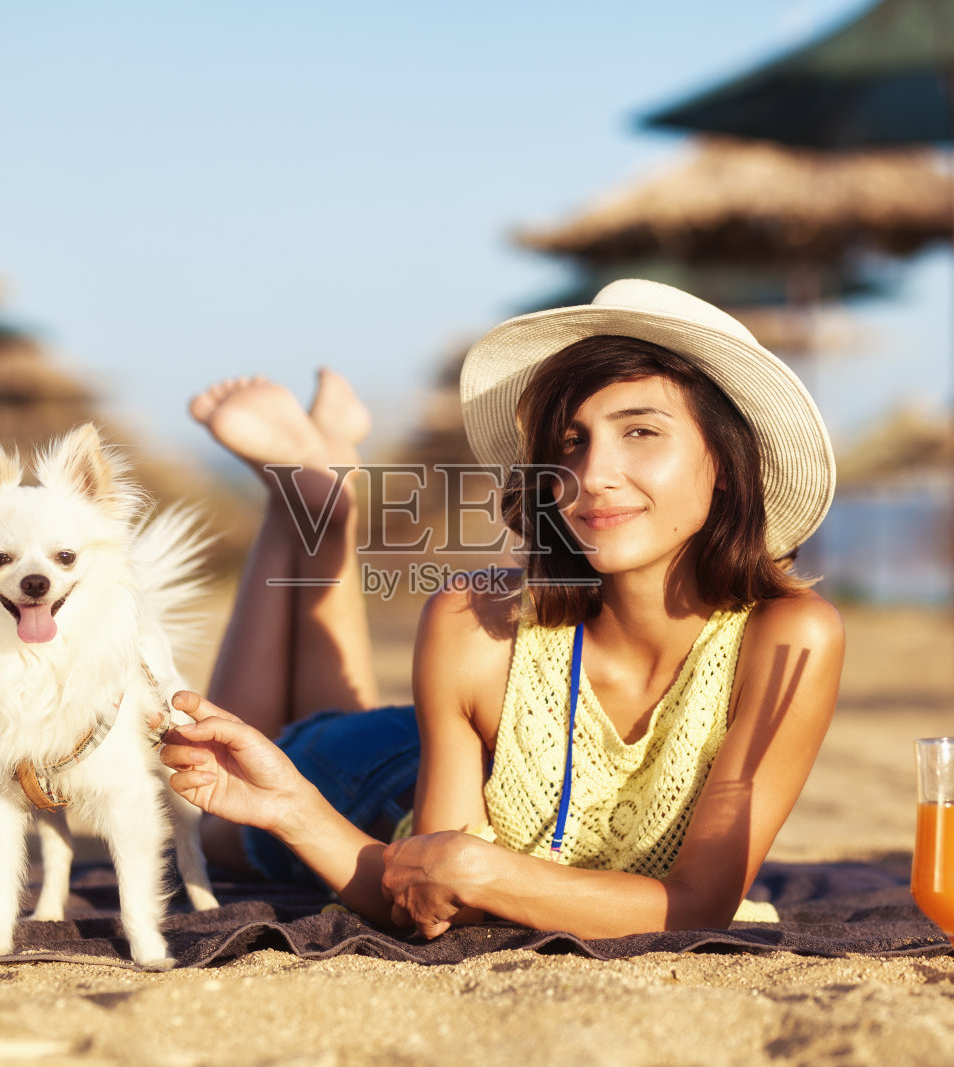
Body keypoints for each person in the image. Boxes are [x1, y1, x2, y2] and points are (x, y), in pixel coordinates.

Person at [157, 279, 845, 940]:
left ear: (723, 460)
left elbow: (697, 903)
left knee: (326, 717)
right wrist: (296, 810)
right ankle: (305, 505)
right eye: (571, 442)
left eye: (641, 432)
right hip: (385, 782)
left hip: (474, 784)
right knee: (220, 820)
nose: (593, 474)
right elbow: (425, 896)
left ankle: (318, 495)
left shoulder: (789, 638)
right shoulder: (473, 619)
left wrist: (480, 869)